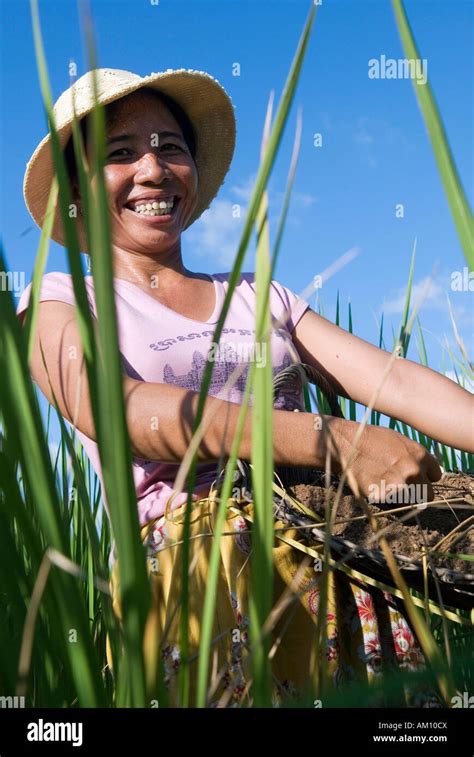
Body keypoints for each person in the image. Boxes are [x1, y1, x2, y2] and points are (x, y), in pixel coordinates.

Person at [17, 67, 473, 707]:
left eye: (169, 147)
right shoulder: (62, 299)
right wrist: (330, 439)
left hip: (338, 549)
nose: (152, 168)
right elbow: (116, 411)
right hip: (204, 570)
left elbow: (396, 381)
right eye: (119, 153)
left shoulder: (261, 299)